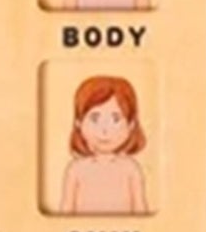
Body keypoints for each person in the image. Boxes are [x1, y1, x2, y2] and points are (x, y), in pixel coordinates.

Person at [59, 75, 149, 215]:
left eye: (116, 119)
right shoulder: (76, 170)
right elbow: (65, 212)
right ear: (79, 123)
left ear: (131, 125)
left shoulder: (131, 169)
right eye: (95, 118)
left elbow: (141, 211)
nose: (105, 130)